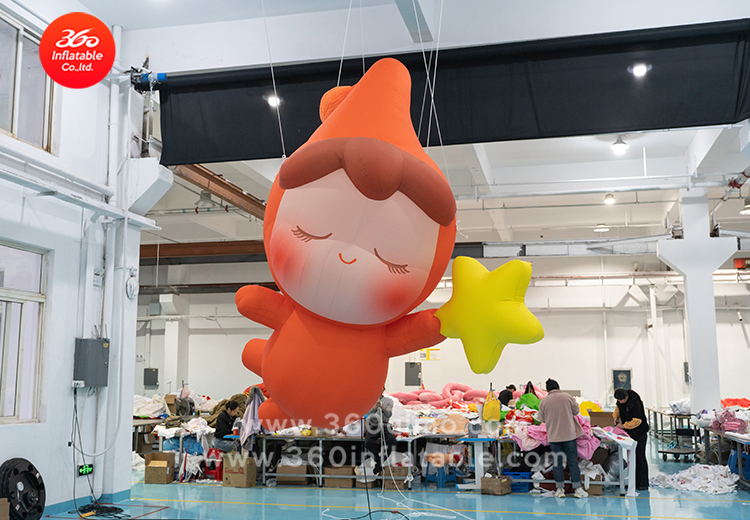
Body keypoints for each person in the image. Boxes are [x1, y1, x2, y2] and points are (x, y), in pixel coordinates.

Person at [537, 379, 587, 498]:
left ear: (547, 390)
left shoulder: (544, 401)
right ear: (558, 387)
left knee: (557, 463)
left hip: (554, 437)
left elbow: (541, 419)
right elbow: (576, 411)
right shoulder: (567, 397)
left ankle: (560, 490)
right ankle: (578, 489)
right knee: (573, 462)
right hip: (569, 435)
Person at [613, 388, 650, 490]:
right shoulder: (620, 401)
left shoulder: (635, 402)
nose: (620, 402)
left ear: (626, 397)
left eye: (621, 400)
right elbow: (617, 409)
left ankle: (642, 483)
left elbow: (637, 421)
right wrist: (615, 417)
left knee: (639, 456)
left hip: (639, 432)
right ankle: (633, 482)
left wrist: (623, 426)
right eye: (618, 400)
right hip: (631, 433)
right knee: (631, 458)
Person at [364, 394, 397, 474]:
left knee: (391, 440)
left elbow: (388, 414)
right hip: (373, 425)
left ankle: (379, 464)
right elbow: (367, 415)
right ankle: (379, 461)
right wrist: (374, 408)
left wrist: (382, 408)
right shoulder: (369, 400)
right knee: (368, 442)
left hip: (385, 424)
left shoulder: (389, 401)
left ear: (383, 389)